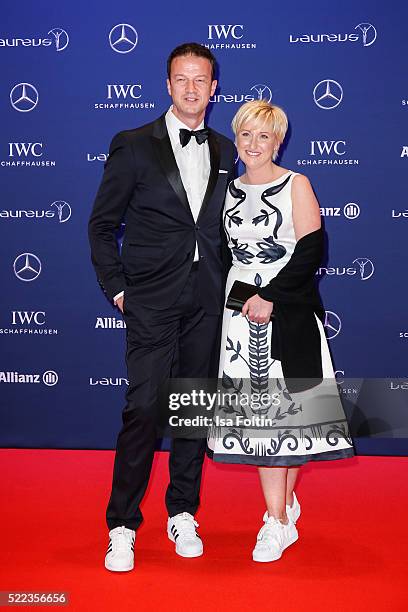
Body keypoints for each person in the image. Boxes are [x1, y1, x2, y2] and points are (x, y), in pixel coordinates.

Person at [88, 42, 235, 571]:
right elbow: (102, 226)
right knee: (145, 408)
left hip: (207, 300)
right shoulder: (132, 145)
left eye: (201, 80)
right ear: (167, 86)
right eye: (182, 79)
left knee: (193, 407)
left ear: (214, 89)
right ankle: (122, 524)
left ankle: (183, 511)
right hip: (149, 299)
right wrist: (118, 288)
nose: (192, 88)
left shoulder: (224, 147)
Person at [207, 99, 354, 562]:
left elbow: (311, 251)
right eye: (246, 134)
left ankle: (276, 520)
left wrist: (271, 296)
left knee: (285, 419)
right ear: (236, 137)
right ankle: (282, 511)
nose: (254, 144)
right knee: (262, 421)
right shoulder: (225, 190)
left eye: (264, 136)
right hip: (237, 317)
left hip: (287, 312)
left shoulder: (297, 184)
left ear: (279, 141)